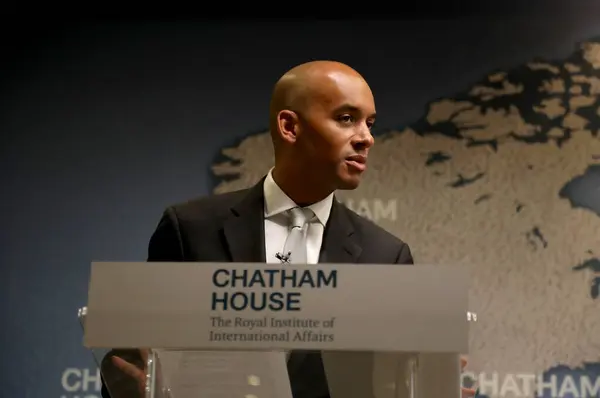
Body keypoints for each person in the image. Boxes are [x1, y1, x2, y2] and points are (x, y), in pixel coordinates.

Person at [100, 60, 475, 398]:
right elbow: (133, 370)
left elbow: (396, 384)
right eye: (347, 118)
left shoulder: (387, 256)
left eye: (369, 123)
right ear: (290, 126)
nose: (366, 137)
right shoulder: (189, 230)